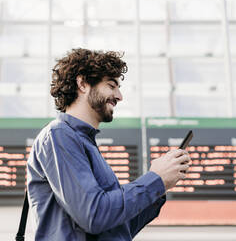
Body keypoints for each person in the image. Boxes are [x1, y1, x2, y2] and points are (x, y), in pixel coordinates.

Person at [26, 48, 191, 240]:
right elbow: (94, 215)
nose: (119, 96)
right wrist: (155, 179)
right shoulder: (60, 135)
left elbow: (118, 227)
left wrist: (161, 185)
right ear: (83, 83)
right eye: (112, 86)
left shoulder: (82, 142)